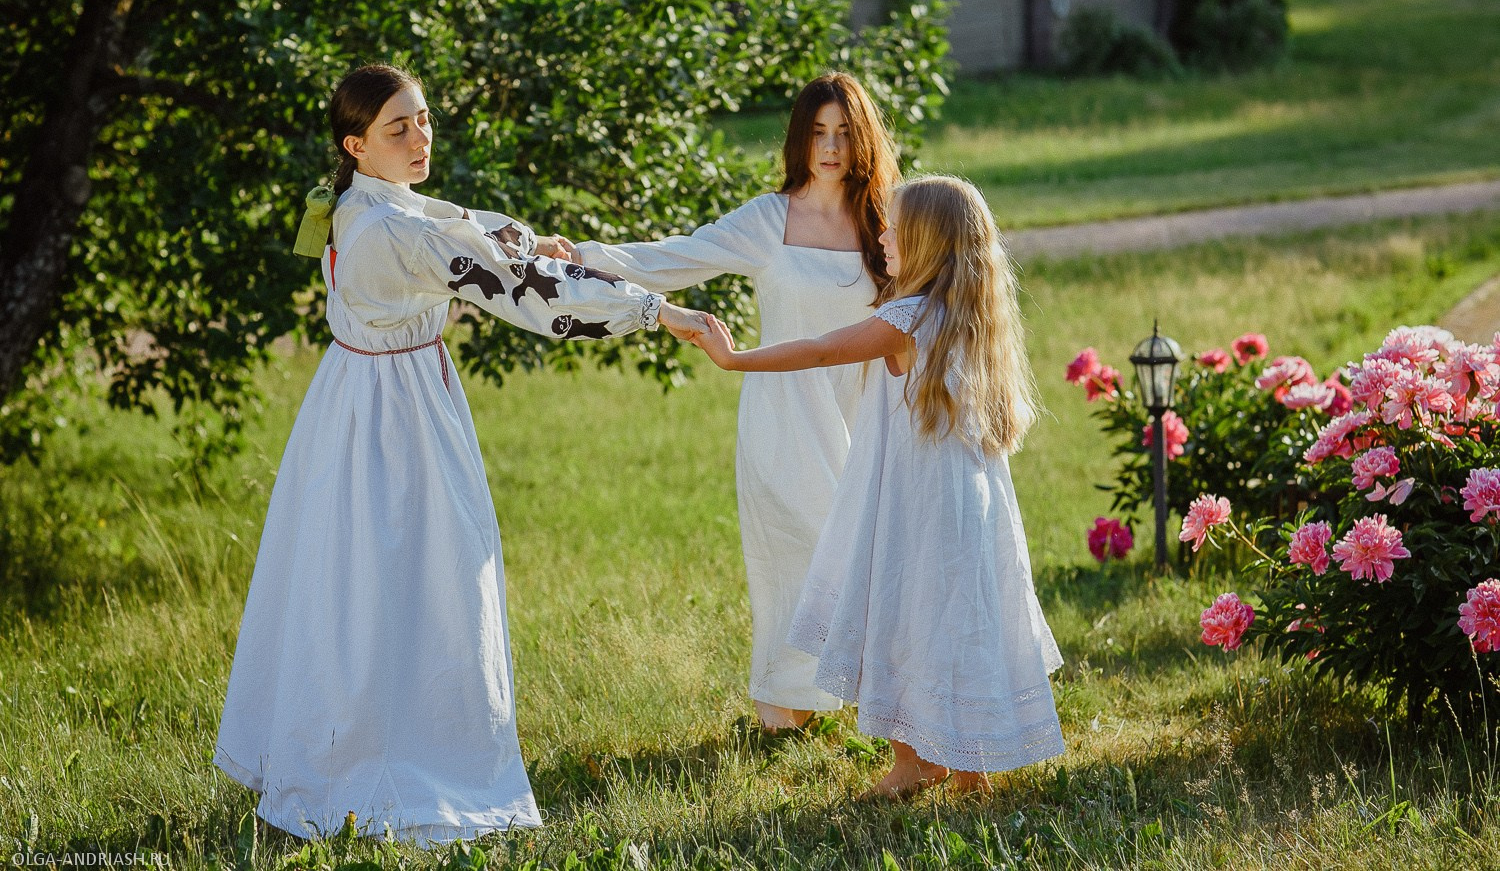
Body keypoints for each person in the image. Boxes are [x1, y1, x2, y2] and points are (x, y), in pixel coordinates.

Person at [214, 63, 711, 844]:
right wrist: (655, 311)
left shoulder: (362, 204)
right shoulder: (386, 231)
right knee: (425, 577)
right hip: (393, 419)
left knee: (357, 579)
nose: (419, 138)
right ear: (356, 144)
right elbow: (523, 290)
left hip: (358, 399)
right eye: (397, 129)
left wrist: (518, 236)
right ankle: (391, 761)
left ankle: (358, 737)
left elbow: (456, 221)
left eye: (422, 120)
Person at [692, 175, 1065, 799]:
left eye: (893, 227)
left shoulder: (907, 317)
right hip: (969, 502)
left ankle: (917, 761)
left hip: (914, 503)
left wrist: (735, 359)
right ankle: (964, 764)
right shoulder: (969, 314)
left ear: (923, 243)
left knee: (897, 614)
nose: (881, 235)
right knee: (953, 619)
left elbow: (819, 350)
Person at [566, 73, 901, 732]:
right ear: (799, 141)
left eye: (843, 134)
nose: (830, 148)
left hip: (864, 411)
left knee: (860, 554)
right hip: (785, 415)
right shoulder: (768, 218)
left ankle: (863, 698)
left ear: (861, 140)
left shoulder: (883, 218)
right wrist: (577, 254)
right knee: (798, 553)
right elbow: (672, 257)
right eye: (816, 134)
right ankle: (782, 706)